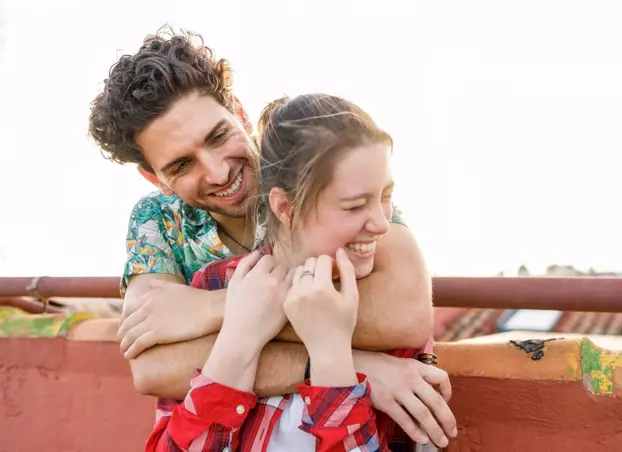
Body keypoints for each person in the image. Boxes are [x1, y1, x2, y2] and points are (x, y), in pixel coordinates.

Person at [88, 27, 456, 448]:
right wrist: (355, 365)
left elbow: (403, 315)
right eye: (181, 165)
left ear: (240, 112)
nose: (218, 172)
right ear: (154, 178)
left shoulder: (307, 169)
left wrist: (213, 309)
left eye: (218, 136)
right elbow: (155, 368)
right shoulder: (156, 219)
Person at [148, 93, 430, 451]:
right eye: (355, 205)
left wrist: (332, 356)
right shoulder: (214, 283)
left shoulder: (387, 297)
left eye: (386, 196)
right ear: (284, 207)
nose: (381, 224)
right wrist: (237, 343)